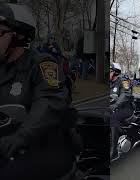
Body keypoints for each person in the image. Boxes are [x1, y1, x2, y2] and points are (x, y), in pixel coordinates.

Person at [0, 3, 77, 180]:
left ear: (18, 35)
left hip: (43, 146)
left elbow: (49, 102)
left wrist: (20, 137)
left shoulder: (42, 64)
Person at [109, 62, 134, 159]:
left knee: (113, 119)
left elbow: (126, 94)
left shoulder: (124, 80)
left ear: (115, 72)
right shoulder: (110, 83)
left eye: (110, 72)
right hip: (114, 108)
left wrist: (115, 105)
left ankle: (114, 150)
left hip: (126, 108)